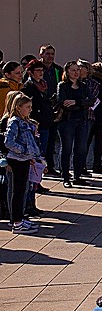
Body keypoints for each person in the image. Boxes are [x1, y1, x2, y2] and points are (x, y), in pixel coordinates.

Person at [4, 94, 43, 234]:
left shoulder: (24, 121)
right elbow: (9, 142)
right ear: (18, 107)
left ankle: (20, 218)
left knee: (22, 190)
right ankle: (17, 222)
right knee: (18, 191)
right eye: (27, 107)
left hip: (24, 159)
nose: (30, 110)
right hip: (17, 160)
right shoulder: (14, 121)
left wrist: (31, 156)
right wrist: (23, 151)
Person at [54, 61, 92, 187]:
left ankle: (78, 175)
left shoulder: (83, 86)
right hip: (67, 121)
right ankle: (65, 176)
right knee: (66, 148)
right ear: (67, 72)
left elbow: (91, 100)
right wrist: (80, 103)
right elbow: (62, 102)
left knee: (81, 149)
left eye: (77, 70)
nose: (76, 73)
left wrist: (76, 102)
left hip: (81, 120)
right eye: (73, 70)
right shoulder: (63, 86)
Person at [22, 60, 56, 179]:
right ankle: (35, 180)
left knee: (44, 152)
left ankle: (38, 178)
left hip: (47, 122)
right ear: (30, 72)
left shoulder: (43, 84)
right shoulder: (28, 87)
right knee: (37, 153)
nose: (41, 73)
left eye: (42, 70)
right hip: (36, 123)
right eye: (38, 70)